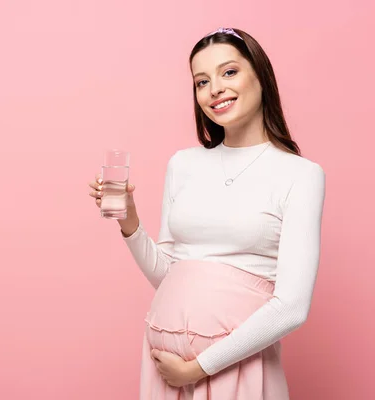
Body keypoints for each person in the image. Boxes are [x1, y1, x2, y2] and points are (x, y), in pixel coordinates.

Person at [88, 27, 326, 399]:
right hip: (165, 370)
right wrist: (128, 221)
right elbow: (170, 274)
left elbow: (292, 307)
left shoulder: (300, 174)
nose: (214, 88)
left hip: (237, 370)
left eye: (228, 72)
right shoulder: (183, 164)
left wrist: (197, 368)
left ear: (260, 76)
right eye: (201, 81)